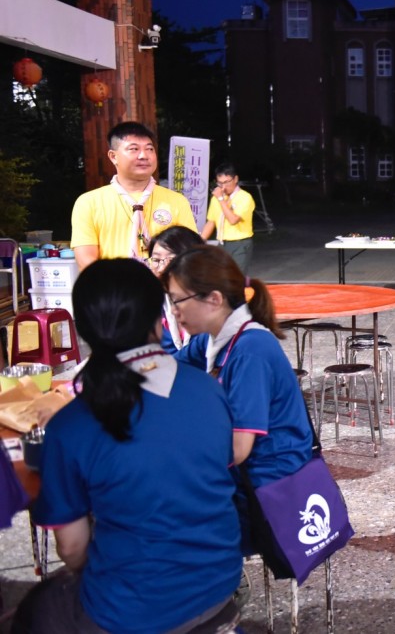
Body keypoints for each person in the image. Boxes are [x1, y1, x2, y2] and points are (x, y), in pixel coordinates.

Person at [13, 259, 241, 633]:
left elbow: (71, 549)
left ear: (84, 329)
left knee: (36, 610)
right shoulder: (208, 388)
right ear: (158, 320)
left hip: (132, 610)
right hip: (219, 585)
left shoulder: (70, 426)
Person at [164, 246, 312, 530]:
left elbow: (238, 449)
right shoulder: (212, 339)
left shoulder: (250, 350)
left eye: (177, 300)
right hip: (248, 472)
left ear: (214, 299)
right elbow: (167, 370)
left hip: (269, 482)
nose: (173, 311)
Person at [71, 121, 197, 269]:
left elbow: (190, 252)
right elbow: (85, 258)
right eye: (134, 149)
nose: (144, 155)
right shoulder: (89, 202)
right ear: (113, 156)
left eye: (149, 149)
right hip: (112, 282)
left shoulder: (177, 201)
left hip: (163, 282)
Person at [145, 225, 205, 353]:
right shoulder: (149, 307)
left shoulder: (214, 305)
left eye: (171, 260)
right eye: (156, 260)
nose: (162, 268)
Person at [200, 162, 256, 274]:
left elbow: (233, 220)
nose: (223, 187)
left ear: (235, 179)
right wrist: (200, 241)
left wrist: (221, 199)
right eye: (220, 183)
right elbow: (211, 222)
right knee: (221, 277)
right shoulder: (216, 199)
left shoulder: (244, 197)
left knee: (236, 277)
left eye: (226, 182)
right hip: (222, 243)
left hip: (240, 243)